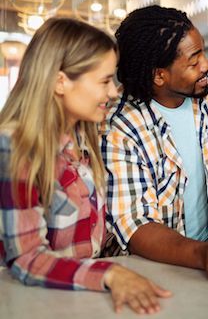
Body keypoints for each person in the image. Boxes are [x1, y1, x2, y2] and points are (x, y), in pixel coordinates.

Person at [0, 18, 171, 315]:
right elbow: (26, 260)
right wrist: (110, 274)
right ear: (60, 81)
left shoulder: (82, 138)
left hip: (81, 301)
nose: (114, 92)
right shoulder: (14, 147)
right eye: (104, 81)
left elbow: (93, 241)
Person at [101, 5, 208, 284]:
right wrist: (203, 254)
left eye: (203, 52)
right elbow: (137, 225)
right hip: (153, 269)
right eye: (194, 61)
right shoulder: (120, 126)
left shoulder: (206, 92)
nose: (206, 65)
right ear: (159, 75)